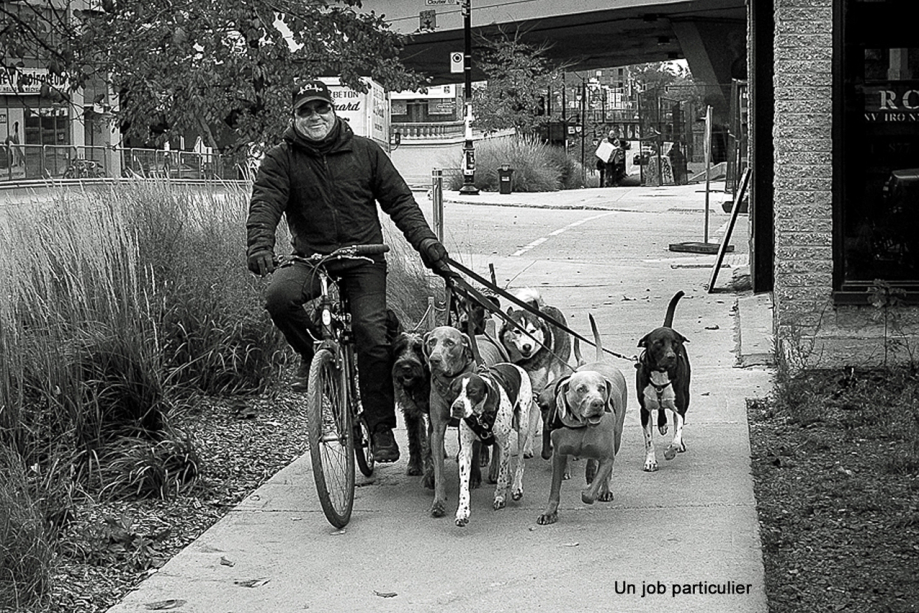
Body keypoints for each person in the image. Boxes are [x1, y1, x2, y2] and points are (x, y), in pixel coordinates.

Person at [246, 80, 455, 463]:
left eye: (321, 108)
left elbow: (401, 203)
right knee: (278, 297)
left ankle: (380, 429)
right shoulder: (281, 159)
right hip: (312, 259)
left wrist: (428, 247)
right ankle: (315, 359)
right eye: (306, 111)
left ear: (333, 111)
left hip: (364, 258)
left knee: (372, 334)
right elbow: (265, 203)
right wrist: (260, 244)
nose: (315, 117)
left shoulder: (365, 152)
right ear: (295, 117)